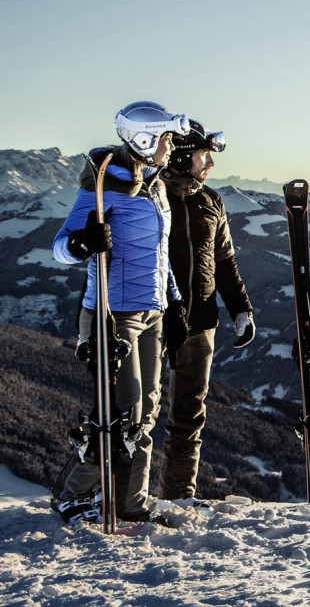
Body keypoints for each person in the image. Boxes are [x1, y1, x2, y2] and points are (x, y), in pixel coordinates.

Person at [51, 101, 190, 523]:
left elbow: (160, 253)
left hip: (152, 311)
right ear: (146, 140)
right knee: (120, 412)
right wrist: (83, 243)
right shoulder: (102, 183)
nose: (172, 147)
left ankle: (132, 501)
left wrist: (175, 301)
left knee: (146, 411)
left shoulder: (156, 184)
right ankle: (73, 494)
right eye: (167, 139)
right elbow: (60, 246)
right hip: (113, 314)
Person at [158, 119, 255, 502]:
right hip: (153, 322)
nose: (210, 164)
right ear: (182, 157)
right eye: (204, 156)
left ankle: (177, 497)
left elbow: (225, 260)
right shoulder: (150, 197)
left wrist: (241, 309)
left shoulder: (211, 201)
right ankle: (124, 497)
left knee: (188, 417)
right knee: (137, 414)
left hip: (200, 323)